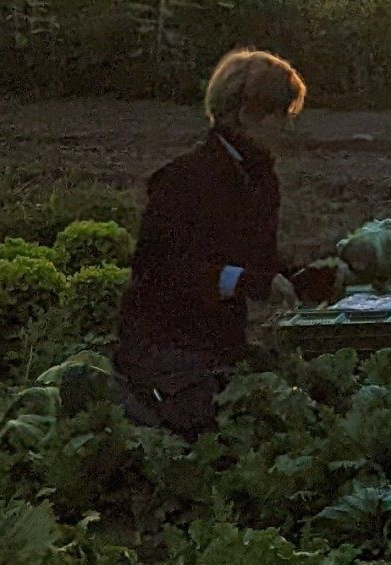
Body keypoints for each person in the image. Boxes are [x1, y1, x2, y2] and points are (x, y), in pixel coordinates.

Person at [115, 47, 314, 435]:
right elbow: (160, 273)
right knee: (210, 425)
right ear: (246, 115)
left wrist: (316, 277)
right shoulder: (182, 181)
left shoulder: (261, 180)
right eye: (280, 114)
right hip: (164, 346)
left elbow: (260, 265)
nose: (287, 128)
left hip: (219, 344)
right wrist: (245, 281)